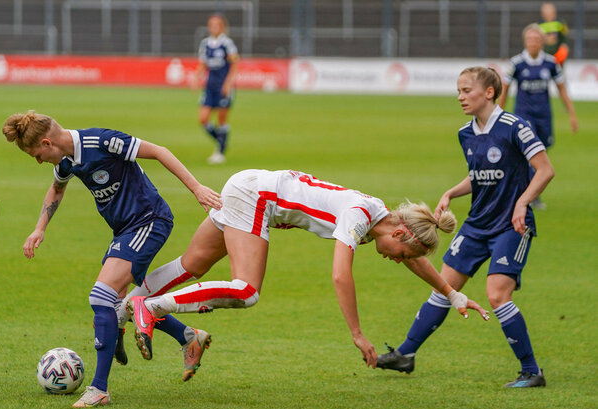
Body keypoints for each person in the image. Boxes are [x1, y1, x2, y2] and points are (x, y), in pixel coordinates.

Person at [125, 169, 489, 371]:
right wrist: (358, 334)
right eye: (401, 253)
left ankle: (121, 308)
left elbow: (417, 260)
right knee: (247, 290)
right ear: (399, 233)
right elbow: (340, 275)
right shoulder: (359, 216)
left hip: (251, 187)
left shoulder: (379, 214)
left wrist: (453, 293)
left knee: (193, 265)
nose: (398, 260)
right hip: (257, 198)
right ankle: (151, 308)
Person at [2, 111, 221, 407]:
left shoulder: (102, 141)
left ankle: (100, 388)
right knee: (118, 305)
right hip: (124, 231)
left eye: (36, 155)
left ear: (46, 142)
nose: (39, 161)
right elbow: (57, 188)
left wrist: (196, 188)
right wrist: (40, 228)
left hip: (149, 220)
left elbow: (158, 151)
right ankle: (187, 336)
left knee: (100, 297)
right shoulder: (66, 160)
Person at [376, 67, 555, 388]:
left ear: (489, 92)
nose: (460, 97)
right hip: (476, 225)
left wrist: (523, 202)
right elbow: (479, 175)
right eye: (458, 91)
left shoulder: (517, 127)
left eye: (466, 90)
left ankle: (532, 371)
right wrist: (451, 192)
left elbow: (545, 170)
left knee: (497, 295)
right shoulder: (466, 133)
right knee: (444, 287)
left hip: (511, 226)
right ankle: (406, 354)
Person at [500, 23, 576, 209]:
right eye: (530, 39)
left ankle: (534, 194)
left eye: (536, 39)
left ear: (542, 42)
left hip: (544, 115)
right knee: (529, 153)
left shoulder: (551, 63)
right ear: (525, 41)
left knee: (542, 153)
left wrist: (572, 114)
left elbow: (561, 89)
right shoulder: (516, 63)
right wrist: (497, 114)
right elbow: (505, 89)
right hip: (524, 116)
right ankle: (525, 194)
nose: (533, 43)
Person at [195, 13, 239, 164]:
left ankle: (220, 151)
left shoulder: (227, 43)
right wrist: (196, 77)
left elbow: (234, 64)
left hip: (223, 87)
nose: (214, 27)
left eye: (217, 24)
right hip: (210, 86)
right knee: (203, 119)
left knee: (221, 120)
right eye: (211, 24)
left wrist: (228, 83)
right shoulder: (205, 44)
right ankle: (221, 141)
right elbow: (203, 64)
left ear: (222, 27)